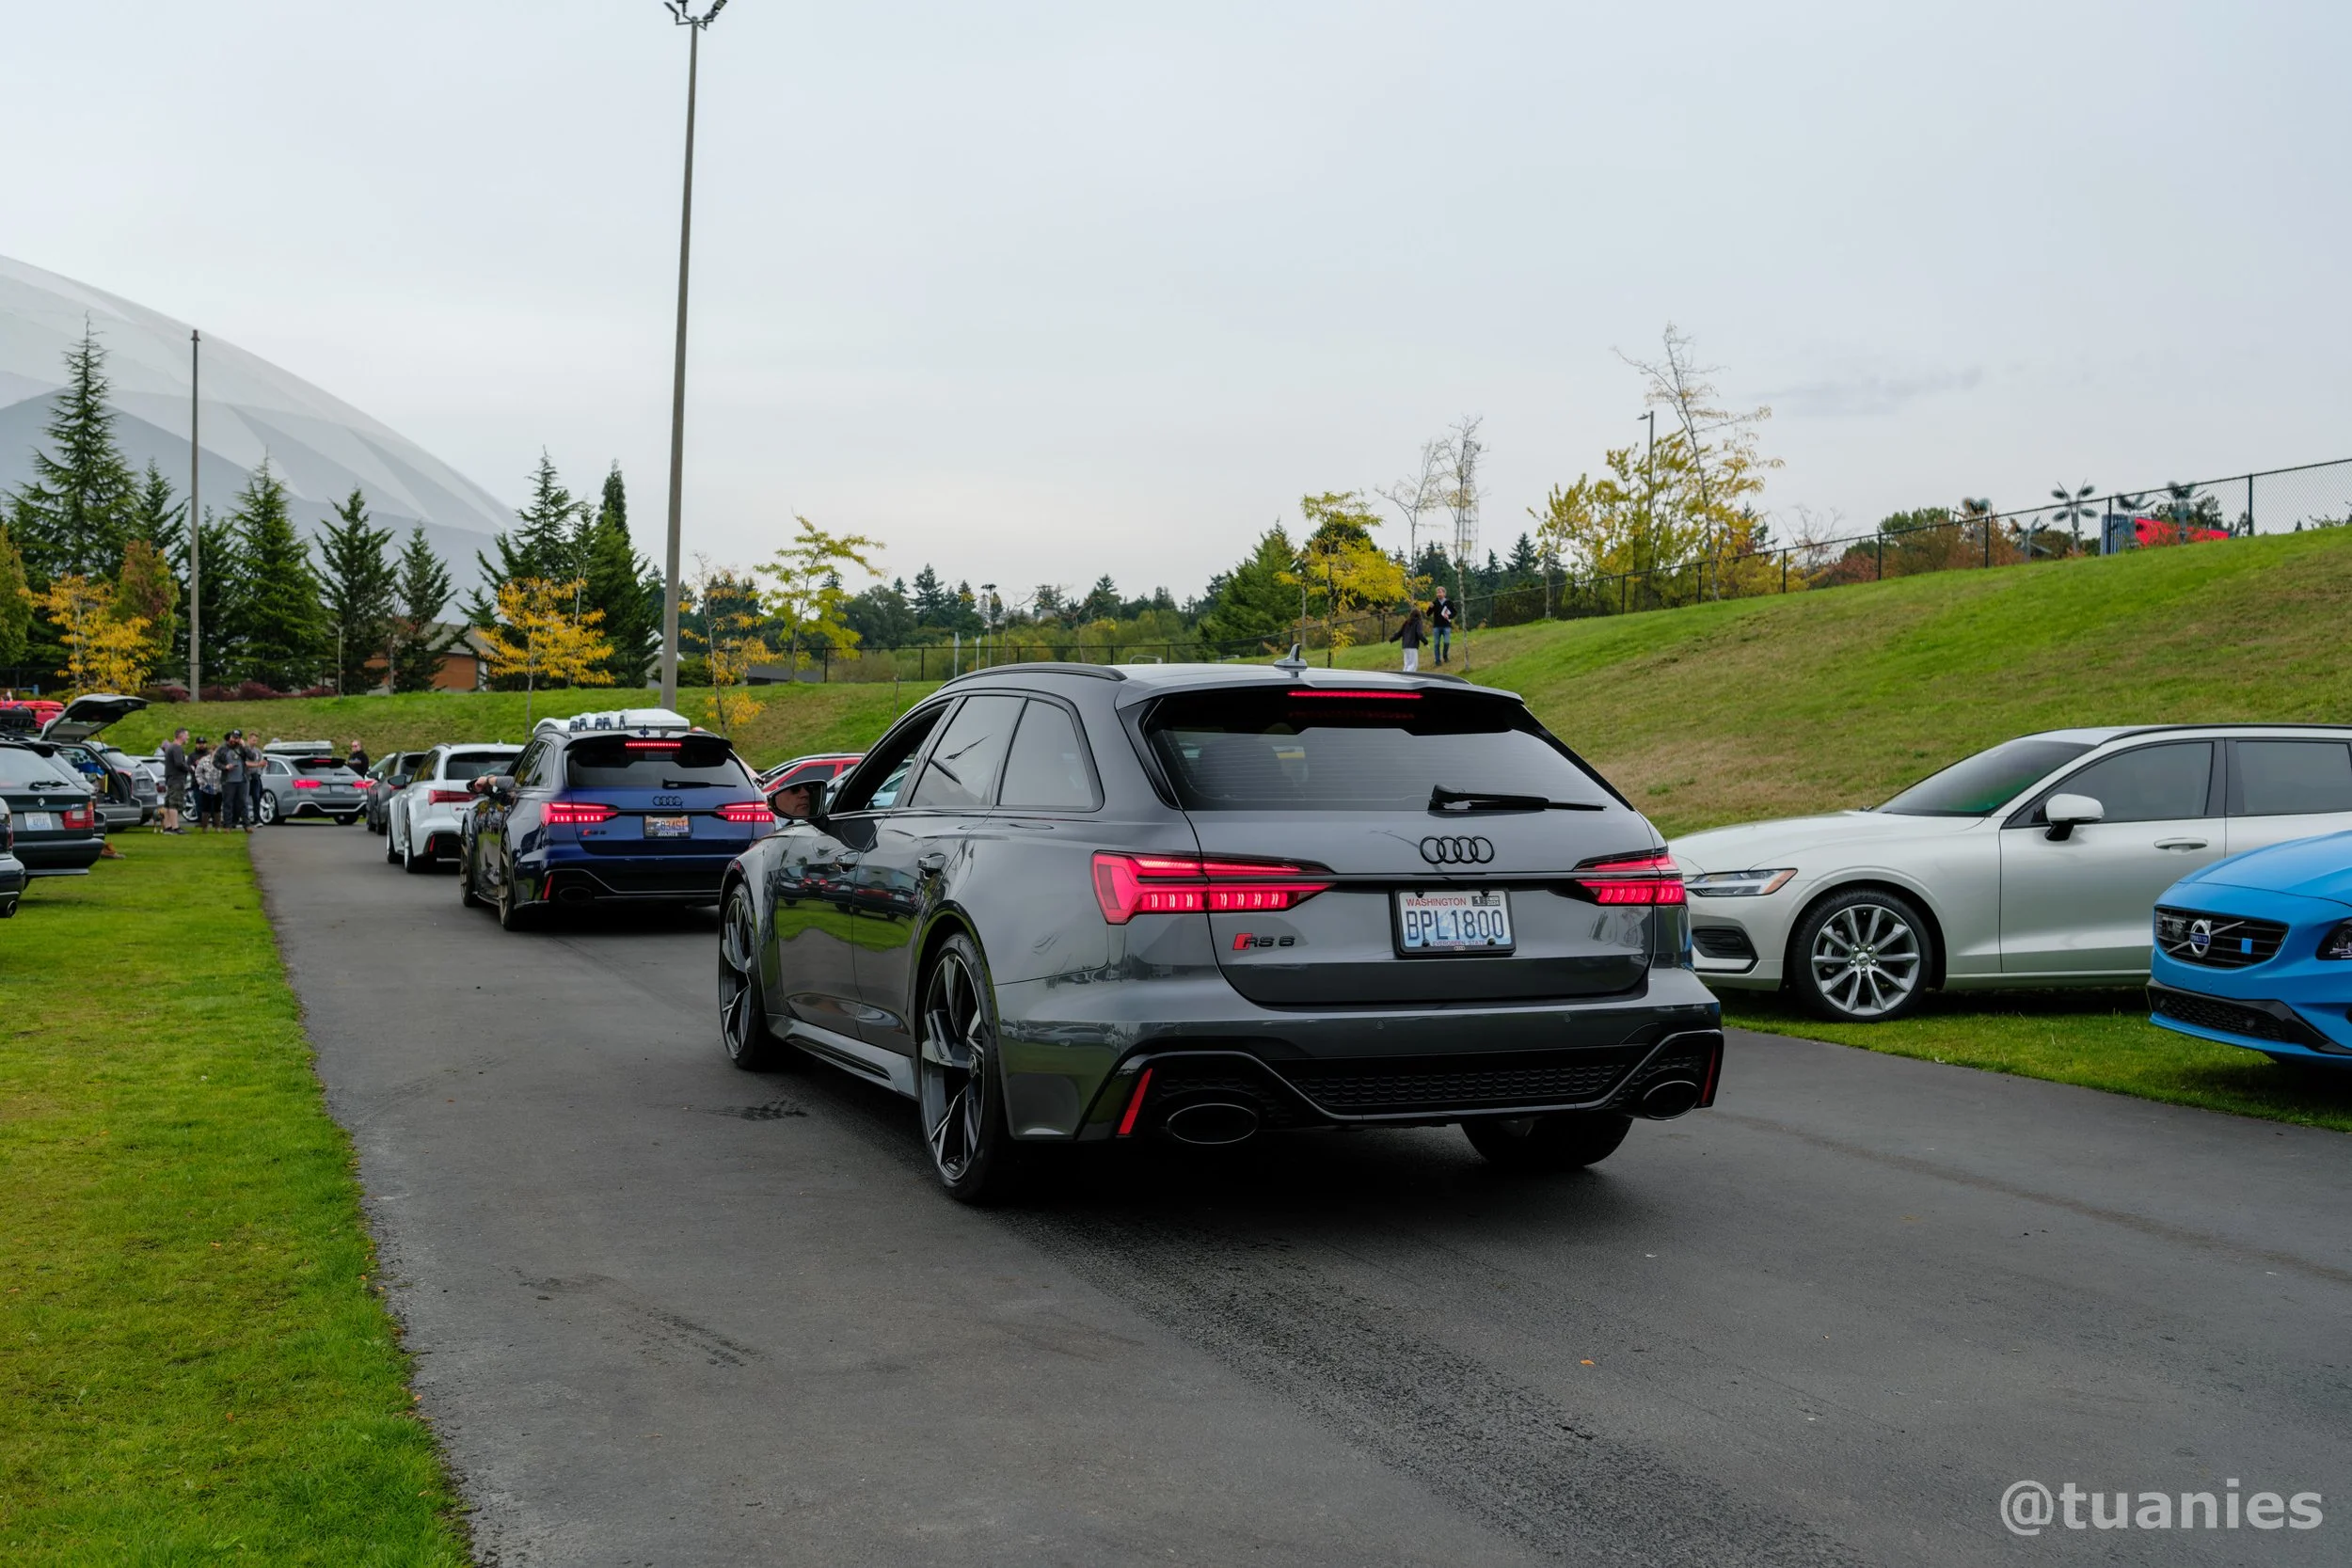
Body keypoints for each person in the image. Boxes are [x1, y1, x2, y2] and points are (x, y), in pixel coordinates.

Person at [217, 730, 252, 832]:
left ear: (240, 739)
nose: (234, 740)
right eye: (233, 737)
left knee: (243, 803)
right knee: (228, 803)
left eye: (236, 738)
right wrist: (225, 767)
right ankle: (227, 825)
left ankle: (246, 825)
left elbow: (252, 757)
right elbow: (215, 761)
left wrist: (245, 746)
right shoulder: (223, 748)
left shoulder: (242, 748)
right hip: (228, 781)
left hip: (241, 780)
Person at [160, 726, 190, 834]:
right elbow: (179, 763)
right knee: (175, 803)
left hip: (170, 779)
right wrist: (189, 768)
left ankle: (167, 827)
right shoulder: (177, 748)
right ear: (181, 736)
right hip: (177, 779)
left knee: (168, 804)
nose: (188, 737)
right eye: (187, 735)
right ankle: (175, 827)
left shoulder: (170, 747)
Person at [192, 742, 221, 832]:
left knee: (217, 808)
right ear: (211, 751)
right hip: (206, 788)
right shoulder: (204, 760)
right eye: (216, 751)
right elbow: (198, 773)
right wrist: (203, 784)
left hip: (218, 788)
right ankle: (204, 827)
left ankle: (217, 826)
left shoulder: (222, 760)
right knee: (205, 808)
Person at [1391, 603, 1426, 673]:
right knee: (1413, 665)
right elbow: (1419, 633)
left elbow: (1399, 633)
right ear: (1419, 615)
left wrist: (1392, 639)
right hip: (1412, 646)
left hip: (1405, 646)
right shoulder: (1418, 622)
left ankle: (1403, 677)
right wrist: (1425, 642)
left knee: (1407, 665)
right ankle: (1408, 677)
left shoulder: (1406, 622)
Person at [1431, 586, 1455, 665]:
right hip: (1437, 626)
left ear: (1444, 593)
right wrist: (1430, 608)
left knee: (1446, 642)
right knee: (1436, 644)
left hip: (1446, 626)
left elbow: (1454, 613)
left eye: (1440, 592)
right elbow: (1428, 614)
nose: (1438, 594)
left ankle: (1445, 656)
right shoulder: (1434, 603)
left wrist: (1449, 616)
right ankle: (1437, 661)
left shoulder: (1449, 602)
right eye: (1437, 593)